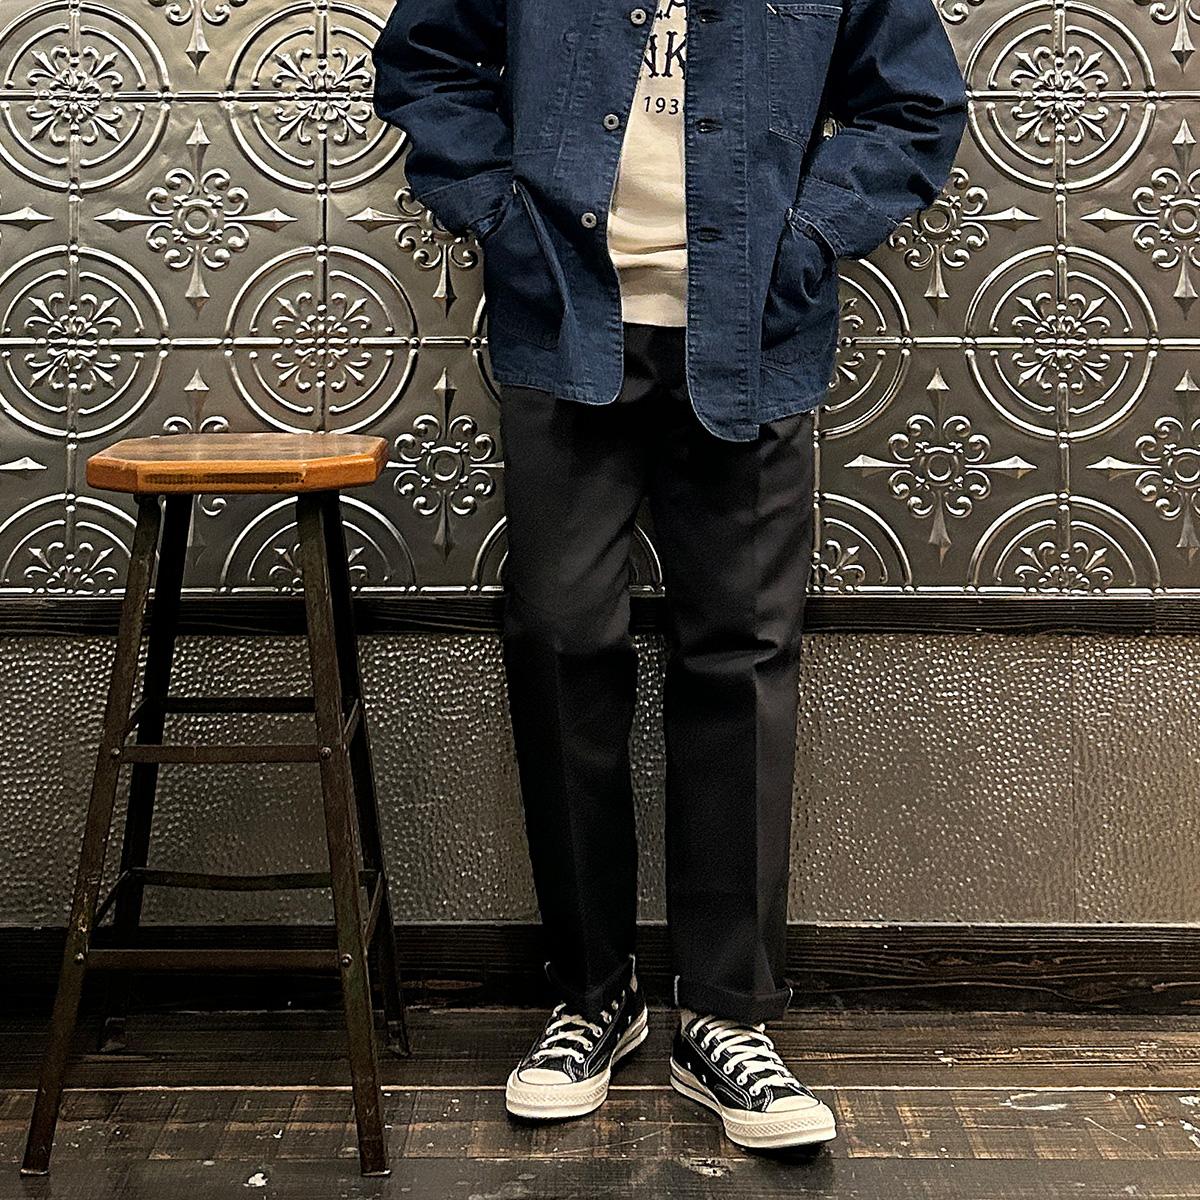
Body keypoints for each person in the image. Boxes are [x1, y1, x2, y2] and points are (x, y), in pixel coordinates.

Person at [372, 0, 967, 1150]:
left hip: (754, 334)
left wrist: (810, 238)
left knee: (742, 653)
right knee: (559, 638)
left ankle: (726, 1017)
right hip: (567, 324)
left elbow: (916, 101)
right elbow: (424, 62)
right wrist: (499, 216)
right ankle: (590, 996)